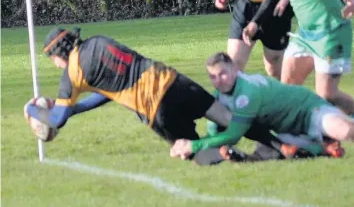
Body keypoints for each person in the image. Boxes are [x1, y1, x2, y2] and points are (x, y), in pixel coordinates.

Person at [24, 27, 307, 164]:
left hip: (154, 107)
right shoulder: (98, 41)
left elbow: (56, 120)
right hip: (172, 81)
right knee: (226, 116)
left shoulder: (71, 74)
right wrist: (77, 108)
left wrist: (33, 111)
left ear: (58, 55)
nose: (56, 65)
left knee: (195, 152)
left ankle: (232, 159)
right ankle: (282, 146)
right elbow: (111, 91)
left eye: (53, 60)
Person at [170, 53, 354, 159]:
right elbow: (216, 129)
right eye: (213, 77)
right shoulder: (219, 97)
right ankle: (323, 147)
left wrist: (195, 145)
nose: (219, 80)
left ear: (234, 70)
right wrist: (208, 151)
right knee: (281, 152)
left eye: (223, 74)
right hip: (286, 130)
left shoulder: (247, 92)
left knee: (349, 132)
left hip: (308, 111)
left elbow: (234, 134)